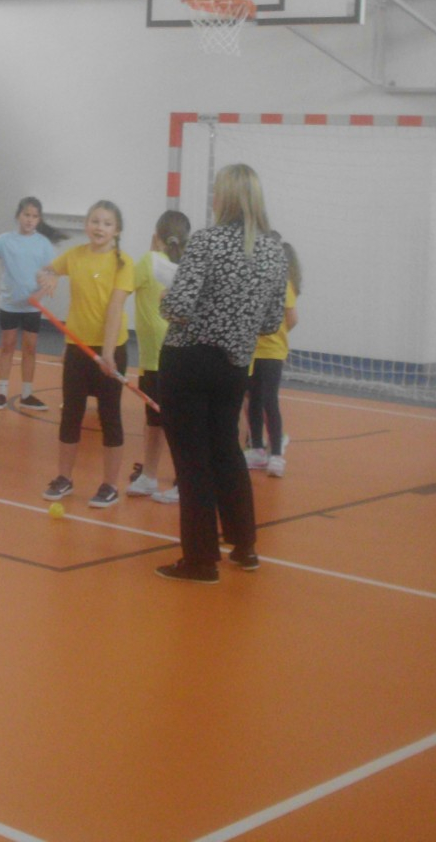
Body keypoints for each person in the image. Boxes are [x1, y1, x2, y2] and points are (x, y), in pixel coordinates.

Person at [155, 165, 288, 583]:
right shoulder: (275, 252)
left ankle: (200, 560)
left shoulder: (206, 241)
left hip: (188, 361)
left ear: (225, 197)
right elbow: (271, 322)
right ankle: (244, 546)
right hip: (234, 367)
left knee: (192, 461)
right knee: (227, 452)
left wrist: (165, 298)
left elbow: (178, 307)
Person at [34, 200, 134, 509]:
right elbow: (45, 271)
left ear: (117, 230)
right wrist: (49, 276)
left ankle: (109, 485)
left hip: (110, 349)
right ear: (87, 225)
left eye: (106, 223)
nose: (99, 227)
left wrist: (108, 354)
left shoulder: (123, 263)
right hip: (78, 349)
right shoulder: (75, 256)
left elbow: (115, 309)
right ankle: (64, 477)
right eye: (95, 221)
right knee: (71, 414)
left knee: (109, 416)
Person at [0, 196, 64, 410]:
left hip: (32, 307)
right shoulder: (5, 240)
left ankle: (27, 394)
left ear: (39, 219)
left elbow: (54, 272)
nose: (30, 220)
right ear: (18, 216)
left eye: (34, 216)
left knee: (30, 348)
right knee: (7, 346)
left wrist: (41, 293)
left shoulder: (43, 243)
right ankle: (1, 393)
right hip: (10, 304)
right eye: (26, 215)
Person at [127, 209, 190, 502]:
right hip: (157, 360)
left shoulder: (149, 261)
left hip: (167, 358)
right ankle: (149, 476)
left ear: (156, 237)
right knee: (154, 421)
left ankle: (185, 481)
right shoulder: (184, 266)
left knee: (174, 423)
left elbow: (121, 286)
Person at [246, 241, 301, 477]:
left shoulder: (283, 285)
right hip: (252, 351)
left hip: (272, 352)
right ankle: (257, 448)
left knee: (269, 400)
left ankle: (276, 453)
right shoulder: (253, 282)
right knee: (253, 400)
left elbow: (292, 318)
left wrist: (278, 334)